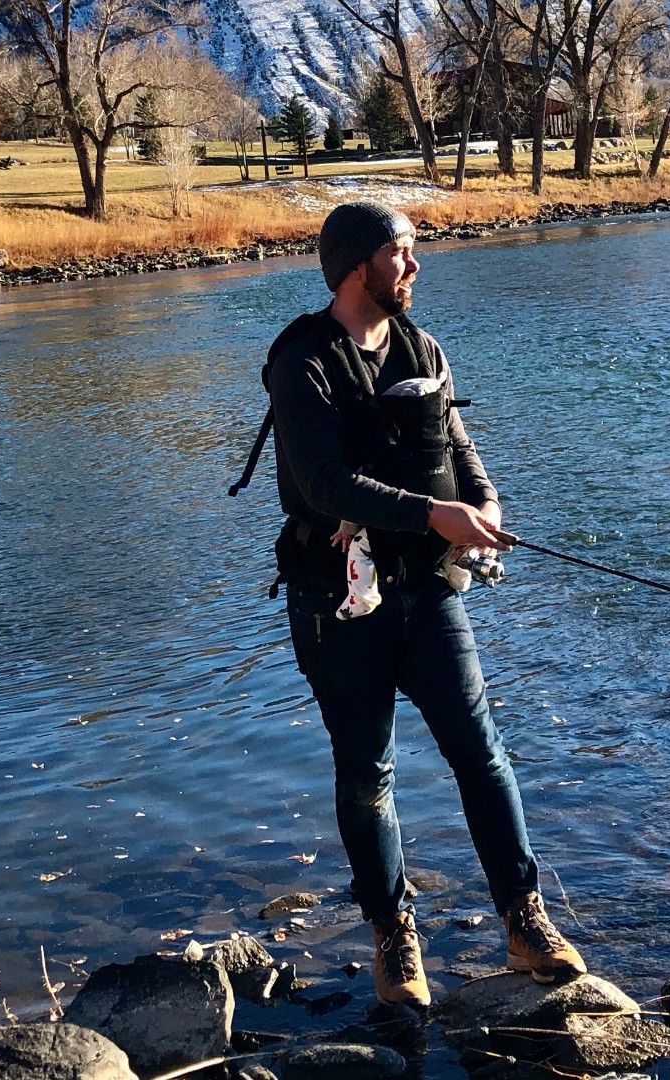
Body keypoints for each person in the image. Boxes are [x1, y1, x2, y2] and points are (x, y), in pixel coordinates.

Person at [260, 200, 586, 1008]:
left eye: (412, 250)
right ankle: (392, 937)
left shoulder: (424, 347)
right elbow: (322, 483)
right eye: (400, 252)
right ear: (354, 266)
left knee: (481, 753)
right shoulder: (302, 361)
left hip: (432, 594)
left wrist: (486, 510)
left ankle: (523, 920)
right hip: (338, 603)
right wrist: (435, 515)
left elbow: (467, 463)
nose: (414, 265)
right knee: (367, 773)